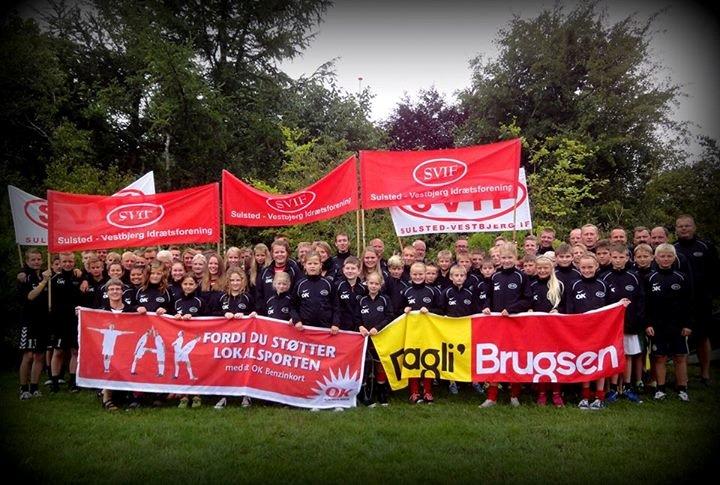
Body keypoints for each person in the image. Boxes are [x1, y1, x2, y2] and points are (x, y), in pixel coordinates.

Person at [480, 243, 532, 408]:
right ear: (499, 259)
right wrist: (486, 307)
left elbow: (527, 300)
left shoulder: (522, 277)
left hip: (515, 324)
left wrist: (511, 310)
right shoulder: (495, 276)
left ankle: (514, 396)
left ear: (516, 258)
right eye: (503, 257)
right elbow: (488, 297)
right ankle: (491, 397)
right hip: (496, 325)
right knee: (494, 358)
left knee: (513, 359)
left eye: (510, 257)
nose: (506, 260)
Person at [674, 214, 719, 385]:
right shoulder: (673, 248)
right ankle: (682, 377)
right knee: (682, 338)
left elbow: (715, 272)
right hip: (679, 301)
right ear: (676, 229)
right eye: (680, 226)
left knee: (702, 337)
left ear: (694, 227)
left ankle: (705, 374)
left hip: (702, 300)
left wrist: (711, 294)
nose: (684, 229)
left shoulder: (706, 247)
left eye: (687, 225)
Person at [565, 254, 613, 410]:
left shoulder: (603, 284)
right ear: (579, 268)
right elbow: (569, 308)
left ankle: (599, 397)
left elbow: (611, 308)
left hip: (601, 331)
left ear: (596, 266)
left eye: (590, 267)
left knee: (600, 362)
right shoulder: (574, 285)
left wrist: (621, 304)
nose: (587, 270)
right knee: (585, 361)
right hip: (581, 331)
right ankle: (585, 396)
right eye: (583, 267)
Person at [645, 244, 693, 402]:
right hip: (657, 326)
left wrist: (688, 324)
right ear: (656, 258)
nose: (665, 259)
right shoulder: (650, 278)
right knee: (660, 357)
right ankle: (660, 389)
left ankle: (682, 388)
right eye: (662, 256)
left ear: (674, 258)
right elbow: (646, 304)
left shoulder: (682, 277)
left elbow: (689, 303)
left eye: (669, 256)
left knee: (680, 357)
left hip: (678, 326)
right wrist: (648, 324)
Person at [601, 244, 644, 404]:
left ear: (627, 258)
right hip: (610, 327)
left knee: (627, 356)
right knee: (613, 356)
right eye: (615, 257)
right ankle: (612, 389)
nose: (618, 260)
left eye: (621, 257)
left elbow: (640, 301)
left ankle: (627, 387)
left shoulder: (634, 277)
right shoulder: (604, 277)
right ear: (610, 258)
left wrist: (637, 321)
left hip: (630, 324)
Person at [402, 262, 442, 404]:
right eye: (415, 274)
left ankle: (427, 391)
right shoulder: (406, 291)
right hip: (411, 333)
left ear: (425, 274)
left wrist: (430, 311)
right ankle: (414, 392)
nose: (418, 277)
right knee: (412, 359)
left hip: (428, 333)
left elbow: (441, 310)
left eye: (420, 274)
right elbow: (398, 311)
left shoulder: (433, 291)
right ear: (410, 275)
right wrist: (404, 310)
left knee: (428, 359)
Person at [529, 255, 565, 407]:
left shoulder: (559, 285)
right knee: (541, 361)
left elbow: (567, 305)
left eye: (546, 268)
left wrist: (558, 310)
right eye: (540, 268)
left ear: (552, 268)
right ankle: (542, 392)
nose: (542, 271)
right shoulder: (531, 285)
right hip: (537, 329)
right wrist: (529, 309)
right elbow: (527, 302)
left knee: (556, 361)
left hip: (555, 329)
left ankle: (556, 393)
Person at [358, 271, 394, 406]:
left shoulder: (385, 299)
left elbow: (390, 316)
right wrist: (360, 326)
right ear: (366, 284)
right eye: (371, 283)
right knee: (366, 364)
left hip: (381, 337)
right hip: (365, 338)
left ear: (381, 285)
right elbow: (356, 317)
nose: (373, 286)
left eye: (376, 284)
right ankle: (365, 392)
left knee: (380, 364)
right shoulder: (361, 300)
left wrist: (377, 328)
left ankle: (381, 392)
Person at [18, 248, 50, 400]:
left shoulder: (45, 273)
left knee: (39, 355)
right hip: (29, 321)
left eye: (38, 259)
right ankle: (23, 388)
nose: (36, 262)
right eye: (33, 259)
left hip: (43, 321)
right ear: (27, 261)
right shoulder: (24, 276)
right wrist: (44, 282)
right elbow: (30, 296)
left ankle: (34, 387)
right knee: (28, 355)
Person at [49, 252, 82, 393]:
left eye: (70, 261)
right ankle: (54, 382)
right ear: (60, 262)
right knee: (58, 351)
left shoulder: (79, 277)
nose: (67, 264)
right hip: (59, 321)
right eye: (64, 261)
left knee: (75, 351)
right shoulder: (54, 278)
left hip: (75, 321)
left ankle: (73, 382)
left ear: (74, 262)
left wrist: (85, 279)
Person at [442, 264, 477, 395]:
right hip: (450, 329)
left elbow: (475, 311)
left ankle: (474, 381)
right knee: (451, 354)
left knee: (468, 354)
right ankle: (452, 382)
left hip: (466, 330)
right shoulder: (446, 292)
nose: (459, 278)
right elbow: (440, 310)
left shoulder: (470, 293)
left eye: (462, 275)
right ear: (451, 277)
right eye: (456, 275)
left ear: (465, 277)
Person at [290, 251, 335, 332]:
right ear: (304, 265)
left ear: (320, 265)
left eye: (315, 263)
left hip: (326, 329)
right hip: (304, 329)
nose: (312, 266)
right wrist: (296, 320)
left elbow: (336, 306)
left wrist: (335, 323)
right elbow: (292, 306)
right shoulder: (300, 284)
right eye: (309, 263)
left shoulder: (328, 283)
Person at [255, 240, 301, 314]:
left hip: (288, 315)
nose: (279, 254)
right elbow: (259, 294)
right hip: (268, 315)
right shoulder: (265, 271)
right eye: (276, 252)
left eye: (282, 252)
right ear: (272, 254)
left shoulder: (294, 270)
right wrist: (262, 312)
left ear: (287, 253)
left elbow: (298, 294)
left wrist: (294, 314)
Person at [333, 256, 366, 332]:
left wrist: (361, 325)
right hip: (340, 327)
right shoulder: (337, 286)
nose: (350, 271)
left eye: (353, 268)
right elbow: (335, 307)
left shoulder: (363, 289)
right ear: (343, 270)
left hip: (358, 328)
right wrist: (335, 323)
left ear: (359, 271)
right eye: (347, 268)